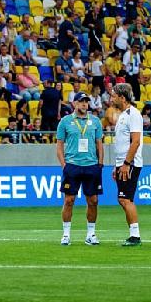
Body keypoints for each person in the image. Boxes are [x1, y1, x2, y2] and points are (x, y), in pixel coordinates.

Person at [55, 94, 104, 246]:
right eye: (81, 101)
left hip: (91, 165)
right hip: (72, 165)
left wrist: (100, 163)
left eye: (86, 102)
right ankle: (66, 235)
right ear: (74, 103)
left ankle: (91, 234)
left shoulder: (95, 121)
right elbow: (59, 145)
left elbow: (99, 144)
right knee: (69, 200)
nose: (84, 104)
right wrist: (64, 165)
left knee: (93, 201)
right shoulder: (65, 121)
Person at [109, 83, 143, 246]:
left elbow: (135, 141)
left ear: (122, 98)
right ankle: (133, 234)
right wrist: (117, 165)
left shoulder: (133, 114)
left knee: (125, 199)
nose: (111, 99)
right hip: (122, 163)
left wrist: (126, 164)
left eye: (114, 95)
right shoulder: (123, 115)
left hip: (130, 163)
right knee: (123, 199)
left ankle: (135, 236)